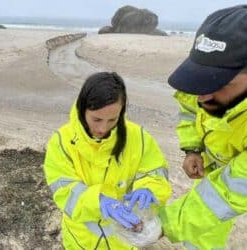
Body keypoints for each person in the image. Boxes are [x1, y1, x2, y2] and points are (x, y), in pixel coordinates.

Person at [44, 72, 172, 249]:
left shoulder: (139, 138)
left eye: (112, 119)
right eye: (96, 119)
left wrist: (149, 188)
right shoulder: (61, 142)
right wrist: (98, 200)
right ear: (83, 110)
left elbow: (156, 172)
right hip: (81, 242)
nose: (103, 128)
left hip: (124, 242)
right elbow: (63, 190)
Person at [158, 5, 247, 249]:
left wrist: (163, 225)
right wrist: (192, 149)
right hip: (216, 162)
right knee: (200, 238)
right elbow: (189, 108)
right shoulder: (203, 91)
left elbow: (233, 188)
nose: (201, 95)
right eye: (200, 79)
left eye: (217, 81)